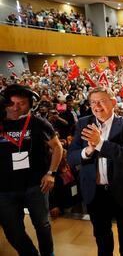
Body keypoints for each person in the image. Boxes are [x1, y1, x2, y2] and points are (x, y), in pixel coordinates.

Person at [67, 87, 123, 256]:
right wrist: (89, 150)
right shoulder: (83, 123)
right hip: (94, 191)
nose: (97, 106)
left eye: (102, 101)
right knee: (101, 235)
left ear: (113, 103)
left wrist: (100, 143)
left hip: (122, 188)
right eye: (93, 102)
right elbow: (71, 157)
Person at [0, 84, 63, 256]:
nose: (16, 107)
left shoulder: (38, 123)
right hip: (4, 189)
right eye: (12, 103)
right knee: (13, 232)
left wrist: (51, 173)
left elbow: (58, 147)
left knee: (42, 226)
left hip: (35, 186)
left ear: (30, 104)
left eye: (21, 103)